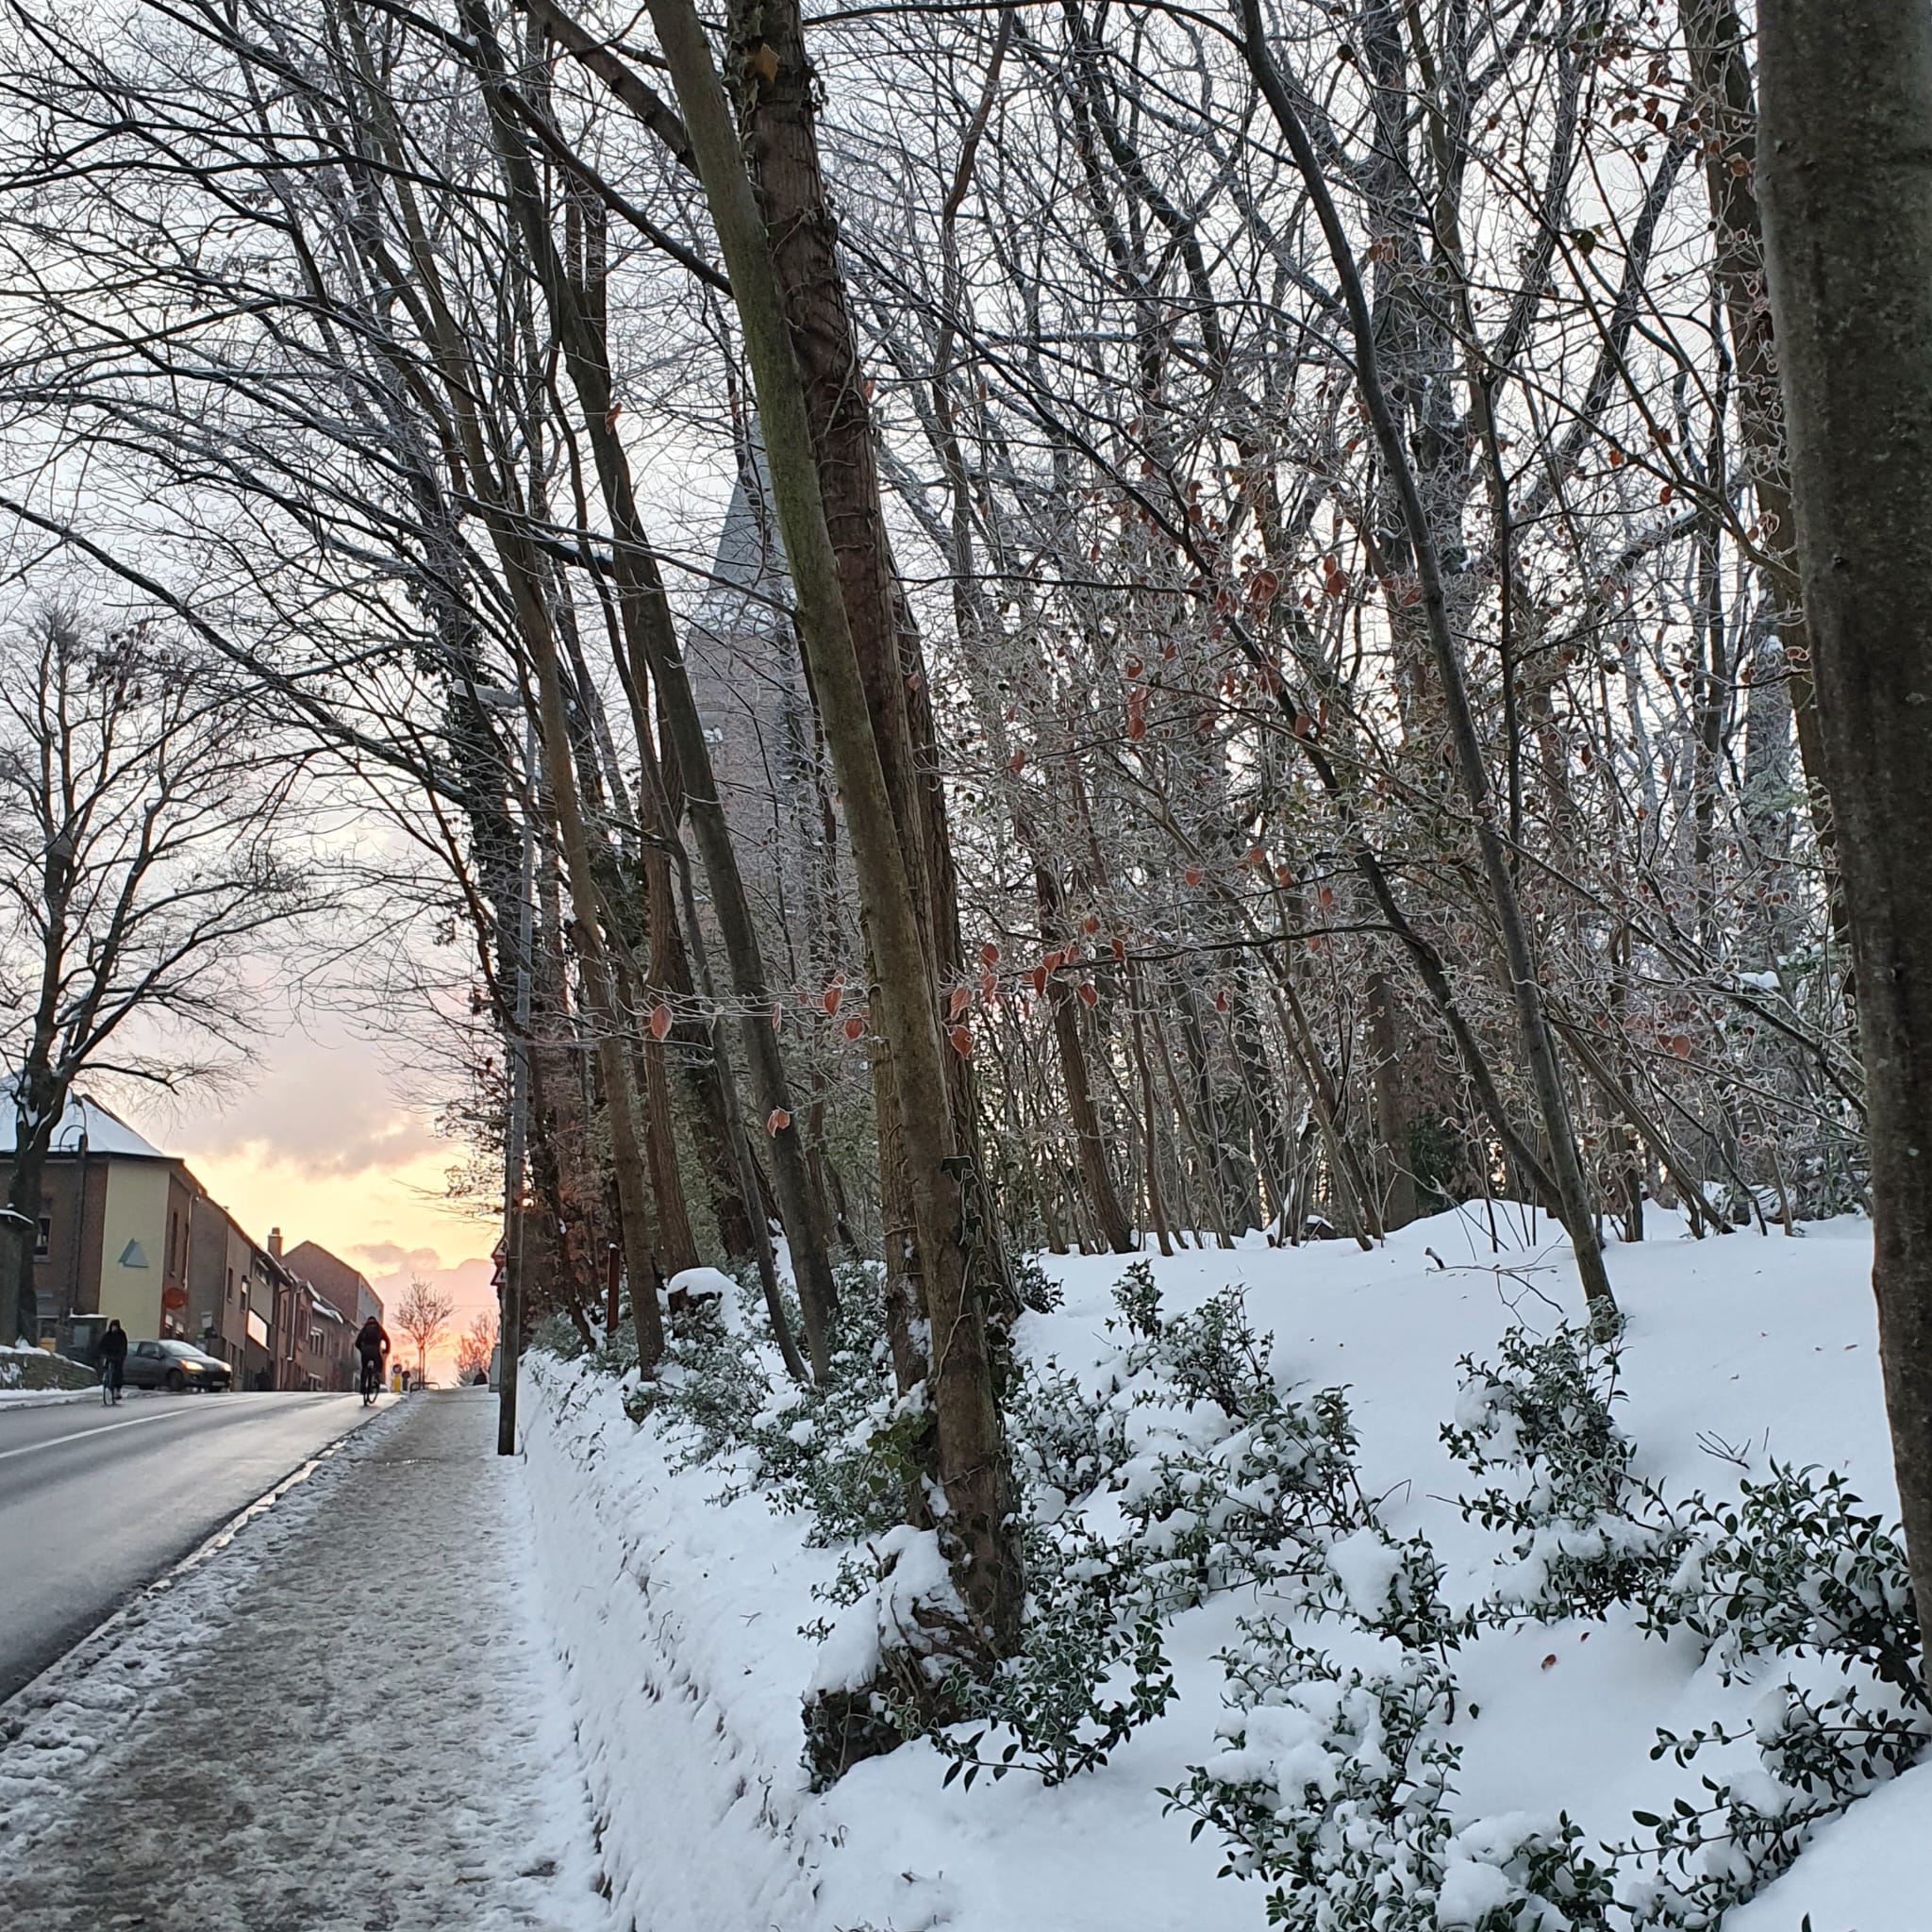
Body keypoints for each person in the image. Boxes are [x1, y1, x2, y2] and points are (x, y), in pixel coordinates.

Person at [354, 1314, 390, 1404]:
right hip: (375, 1351)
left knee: (364, 1368)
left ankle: (362, 1387)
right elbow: (387, 1340)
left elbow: (357, 1342)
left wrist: (362, 1349)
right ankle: (377, 1377)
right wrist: (386, 1351)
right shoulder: (379, 1328)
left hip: (365, 1351)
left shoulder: (365, 1328)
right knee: (379, 1363)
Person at [99, 1319, 127, 1405]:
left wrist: (122, 1356)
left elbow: (124, 1346)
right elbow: (102, 1345)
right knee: (107, 1369)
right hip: (109, 1356)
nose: (114, 1329)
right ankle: (106, 1383)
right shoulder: (107, 1335)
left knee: (118, 1373)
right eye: (112, 1327)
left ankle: (117, 1390)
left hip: (118, 1357)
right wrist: (102, 1353)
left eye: (115, 1327)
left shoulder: (121, 1335)